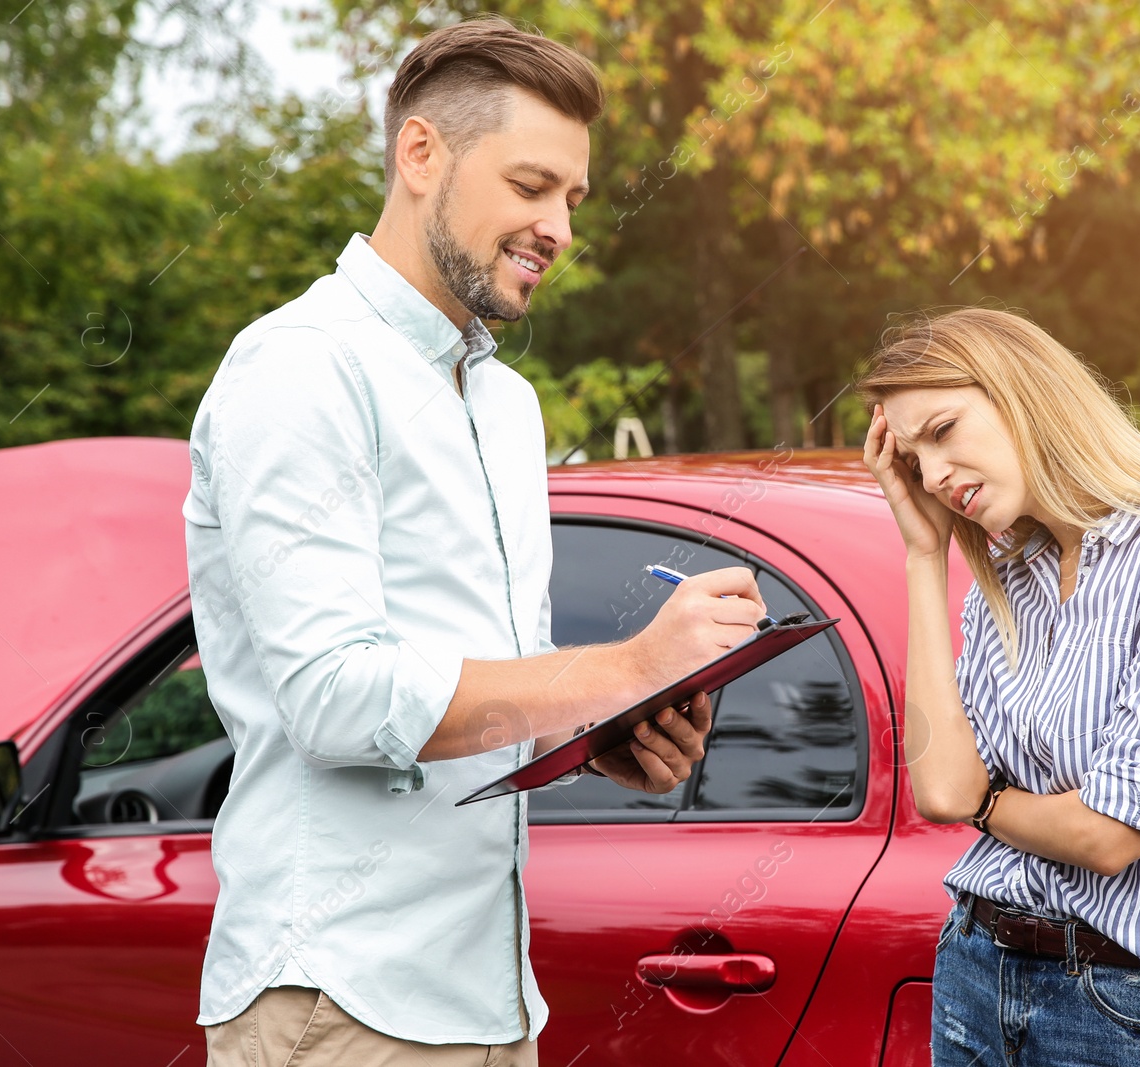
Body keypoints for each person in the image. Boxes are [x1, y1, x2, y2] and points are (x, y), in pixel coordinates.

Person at [184, 16, 766, 1066]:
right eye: (531, 185)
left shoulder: (504, 403)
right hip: (337, 1004)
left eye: (573, 201)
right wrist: (624, 662)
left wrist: (604, 725)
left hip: (490, 999)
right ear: (421, 154)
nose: (561, 227)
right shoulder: (299, 368)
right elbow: (337, 696)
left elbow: (486, 691)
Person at [857, 308, 1140, 1067]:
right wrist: (923, 554)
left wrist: (988, 803)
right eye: (913, 460)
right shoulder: (1008, 578)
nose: (935, 476)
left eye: (944, 430)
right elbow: (942, 789)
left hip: (1122, 1008)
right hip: (977, 974)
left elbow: (1107, 836)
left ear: (1024, 392)